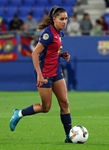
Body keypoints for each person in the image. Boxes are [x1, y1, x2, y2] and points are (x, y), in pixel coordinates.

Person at [10, 5, 72, 143]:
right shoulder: (48, 33)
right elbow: (35, 54)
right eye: (61, 19)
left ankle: (69, 136)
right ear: (54, 19)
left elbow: (51, 51)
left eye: (66, 19)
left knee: (65, 103)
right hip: (44, 74)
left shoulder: (60, 32)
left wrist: (61, 54)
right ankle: (18, 113)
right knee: (46, 107)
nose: (64, 21)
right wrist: (39, 74)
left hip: (56, 71)